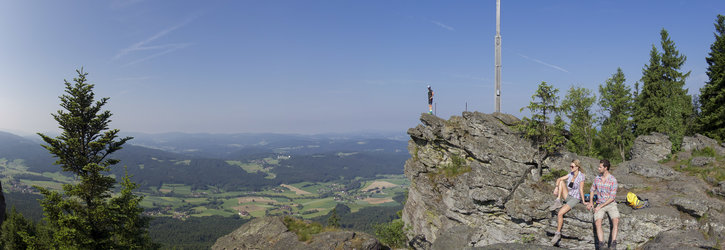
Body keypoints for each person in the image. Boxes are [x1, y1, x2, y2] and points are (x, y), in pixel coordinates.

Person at [549, 159, 586, 246]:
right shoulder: (571, 174)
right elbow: (559, 179)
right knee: (561, 182)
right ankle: (558, 200)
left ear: (577, 167)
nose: (571, 168)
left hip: (575, 198)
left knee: (560, 213)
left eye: (572, 166)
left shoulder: (581, 176)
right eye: (570, 166)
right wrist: (556, 188)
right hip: (568, 196)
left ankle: (557, 234)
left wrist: (584, 201)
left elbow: (581, 189)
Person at [587, 159, 619, 249]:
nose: (598, 168)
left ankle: (613, 243)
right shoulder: (597, 178)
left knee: (615, 220)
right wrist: (591, 202)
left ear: (605, 168)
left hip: (610, 203)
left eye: (600, 167)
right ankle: (601, 244)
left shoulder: (613, 180)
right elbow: (592, 190)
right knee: (597, 221)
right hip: (599, 202)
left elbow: (612, 198)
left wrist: (600, 206)